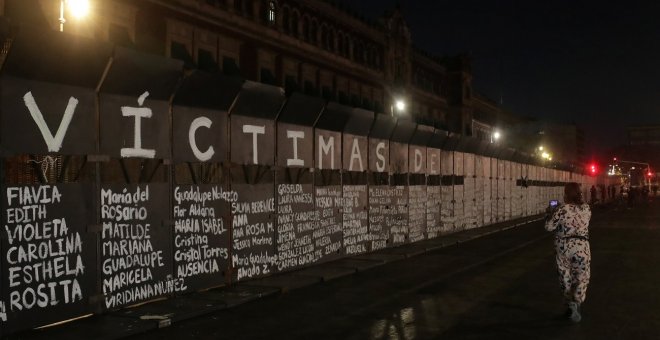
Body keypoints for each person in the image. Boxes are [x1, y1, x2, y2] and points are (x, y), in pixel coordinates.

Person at [545, 182, 592, 323]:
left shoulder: (562, 209)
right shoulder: (587, 209)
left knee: (565, 275)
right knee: (582, 276)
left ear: (566, 194)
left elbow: (548, 227)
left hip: (563, 246)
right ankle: (576, 302)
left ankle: (568, 303)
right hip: (582, 246)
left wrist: (550, 213)